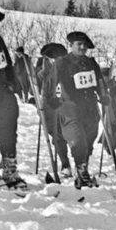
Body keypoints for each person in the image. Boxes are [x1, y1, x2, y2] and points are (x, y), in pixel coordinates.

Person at [53, 31, 107, 188]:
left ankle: (82, 169)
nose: (83, 47)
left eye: (85, 45)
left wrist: (104, 95)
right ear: (71, 46)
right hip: (71, 109)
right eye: (79, 44)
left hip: (90, 108)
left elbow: (100, 81)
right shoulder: (62, 62)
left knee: (89, 140)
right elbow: (52, 83)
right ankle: (82, 172)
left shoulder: (91, 63)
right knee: (78, 140)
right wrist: (50, 99)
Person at [37, 43, 73, 179]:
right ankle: (65, 164)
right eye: (47, 57)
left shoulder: (67, 65)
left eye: (50, 57)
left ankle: (80, 166)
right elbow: (38, 79)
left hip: (64, 105)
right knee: (56, 136)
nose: (49, 60)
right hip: (48, 107)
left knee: (70, 135)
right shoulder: (46, 65)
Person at [0, 27, 26, 190]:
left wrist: (13, 85)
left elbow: (7, 66)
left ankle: (9, 171)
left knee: (8, 129)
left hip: (2, 93)